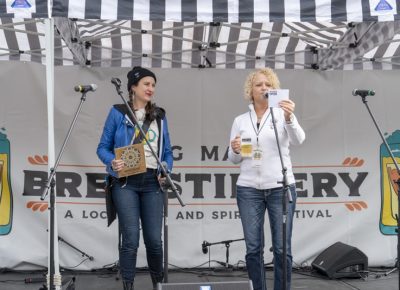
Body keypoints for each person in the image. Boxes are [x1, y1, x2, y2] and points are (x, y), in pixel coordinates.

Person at [228, 68, 305, 290]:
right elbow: (234, 159)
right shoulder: (240, 120)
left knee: (282, 249)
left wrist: (290, 118)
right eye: (259, 85)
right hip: (248, 189)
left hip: (280, 188)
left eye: (269, 85)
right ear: (250, 91)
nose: (264, 88)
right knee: (253, 248)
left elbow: (299, 139)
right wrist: (234, 149)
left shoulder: (283, 114)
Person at [97, 66, 173, 290]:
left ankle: (158, 285)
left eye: (153, 85)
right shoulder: (118, 113)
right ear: (133, 87)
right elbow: (102, 147)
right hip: (126, 182)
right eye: (146, 84)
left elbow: (167, 151)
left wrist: (166, 166)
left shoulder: (159, 115)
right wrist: (112, 161)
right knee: (130, 239)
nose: (151, 88)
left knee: (154, 241)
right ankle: (128, 286)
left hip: (152, 182)